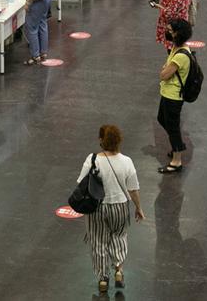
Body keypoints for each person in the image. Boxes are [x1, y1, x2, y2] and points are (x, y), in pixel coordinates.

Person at [77, 124, 144, 293]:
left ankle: (103, 279)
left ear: (101, 140)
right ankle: (119, 271)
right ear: (119, 141)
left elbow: (80, 184)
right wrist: (138, 207)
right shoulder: (127, 161)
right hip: (120, 206)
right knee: (119, 236)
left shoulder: (92, 160)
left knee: (98, 241)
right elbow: (133, 188)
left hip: (97, 207)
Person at [157, 18, 193, 174]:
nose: (167, 32)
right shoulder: (177, 48)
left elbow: (164, 74)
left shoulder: (181, 55)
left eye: (170, 31)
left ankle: (176, 160)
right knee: (162, 119)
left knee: (172, 127)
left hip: (173, 96)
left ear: (178, 33)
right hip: (167, 93)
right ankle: (176, 144)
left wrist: (164, 70)